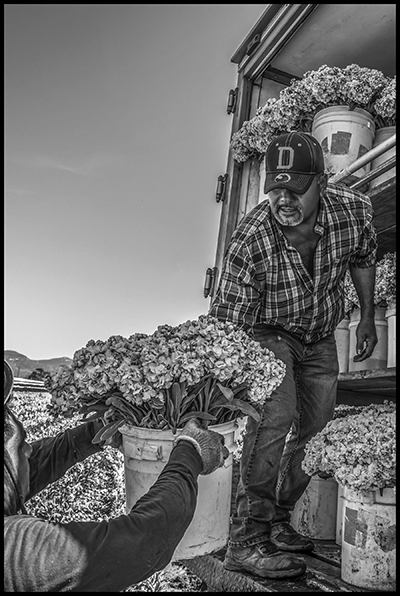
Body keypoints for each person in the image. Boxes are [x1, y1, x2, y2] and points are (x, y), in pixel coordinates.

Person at [210, 131, 378, 580]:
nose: (283, 199)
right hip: (267, 332)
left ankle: (278, 520)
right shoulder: (251, 237)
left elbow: (362, 257)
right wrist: (228, 387)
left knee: (318, 428)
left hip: (321, 332)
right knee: (275, 415)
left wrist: (365, 316)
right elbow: (228, 324)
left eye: (295, 188)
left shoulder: (352, 211)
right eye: (275, 188)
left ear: (321, 182)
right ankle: (246, 539)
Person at [4, 360, 229, 592]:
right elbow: (146, 538)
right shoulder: (13, 553)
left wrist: (98, 430)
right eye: (22, 445)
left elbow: (38, 462)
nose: (29, 449)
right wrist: (191, 452)